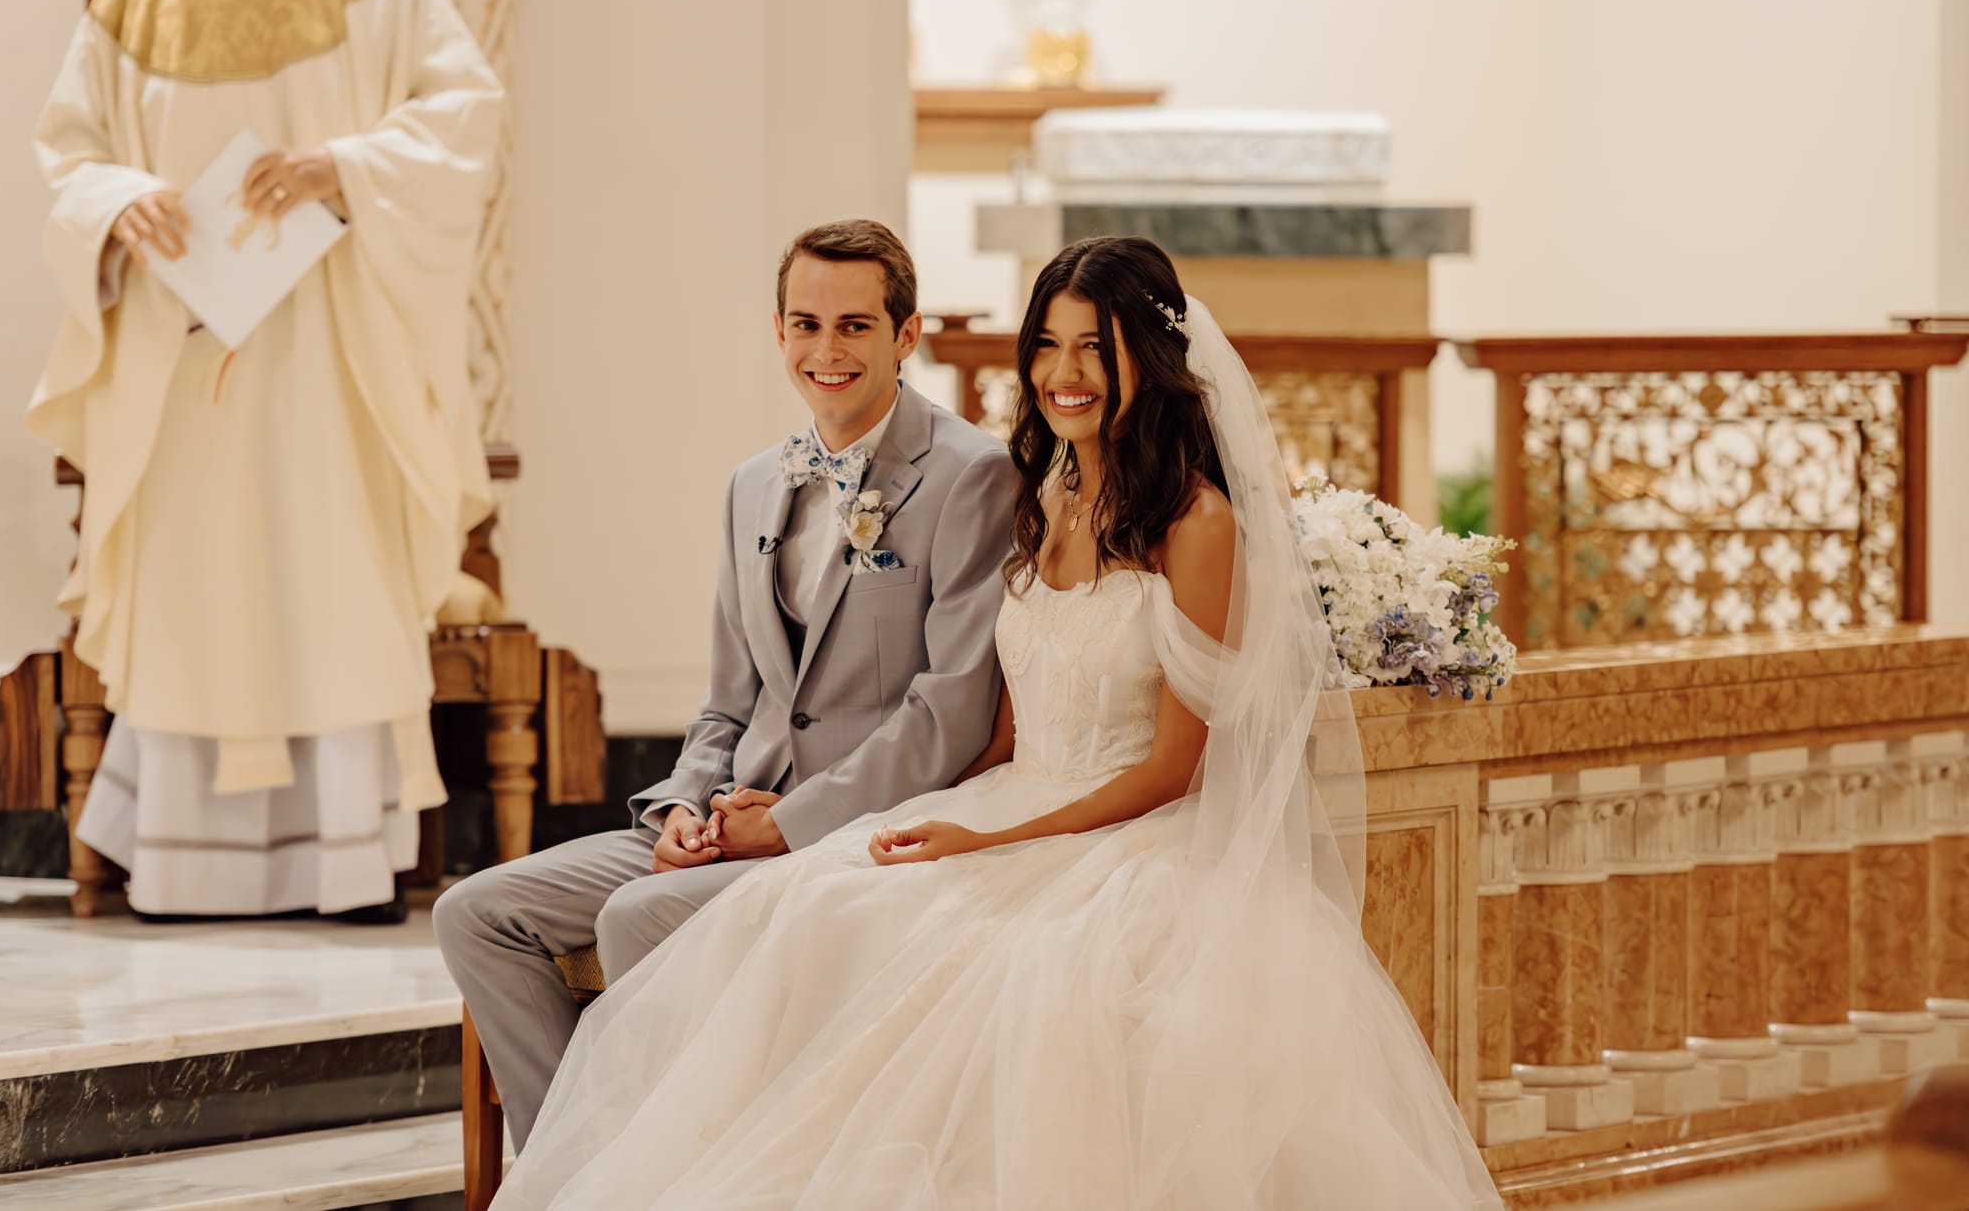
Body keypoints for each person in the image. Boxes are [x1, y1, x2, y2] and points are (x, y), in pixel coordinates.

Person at [491, 237, 1504, 1209]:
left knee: (1020, 975)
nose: (1065, 373)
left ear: (1150, 360)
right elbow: (1010, 729)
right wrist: (918, 816)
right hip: (1009, 798)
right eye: (1047, 345)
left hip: (1129, 836)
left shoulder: (1198, 525)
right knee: (816, 894)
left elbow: (1171, 769)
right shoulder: (1045, 493)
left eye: (1094, 348)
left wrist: (989, 840)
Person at [434, 219, 1015, 1147]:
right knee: (475, 912)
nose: (826, 350)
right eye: (806, 323)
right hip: (729, 817)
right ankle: (573, 1168)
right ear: (778, 330)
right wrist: (680, 807)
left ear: (906, 334)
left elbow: (948, 711)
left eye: (856, 325)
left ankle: (659, 1168)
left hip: (856, 832)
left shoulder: (972, 474)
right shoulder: (753, 484)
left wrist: (788, 823)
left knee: (638, 916)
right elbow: (727, 702)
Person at [31, 0, 502, 921]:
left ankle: (346, 865)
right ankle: (186, 866)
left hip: (329, 350)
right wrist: (119, 201)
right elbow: (69, 150)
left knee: (327, 579)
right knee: (197, 590)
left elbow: (463, 117)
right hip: (180, 354)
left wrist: (342, 164)